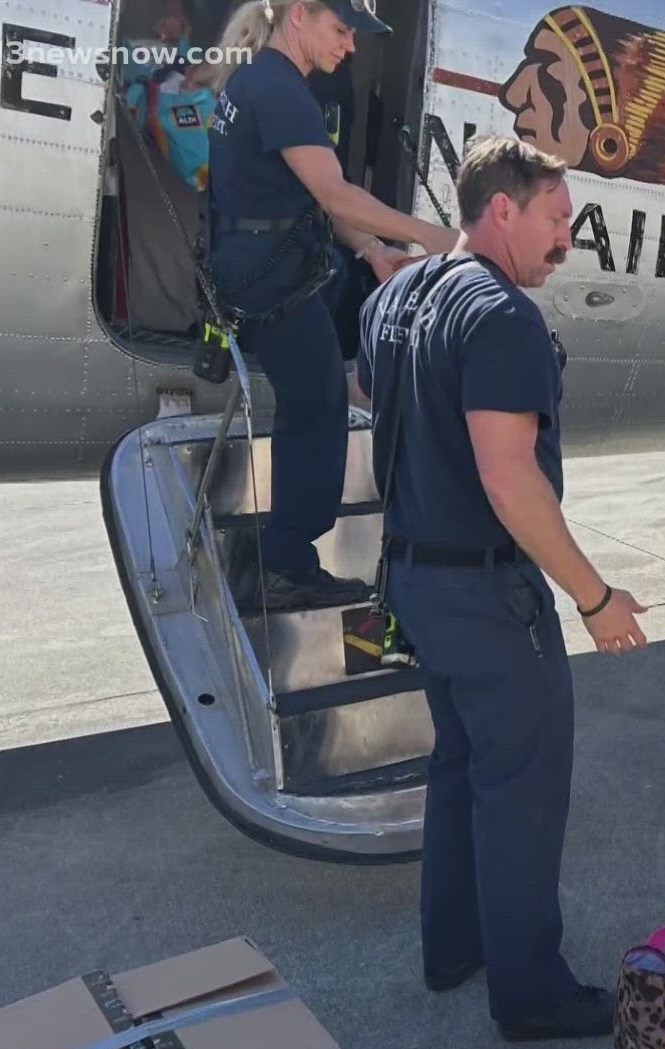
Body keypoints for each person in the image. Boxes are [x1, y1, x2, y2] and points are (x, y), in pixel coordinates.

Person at [355, 135, 650, 1041]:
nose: (566, 240)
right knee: (521, 790)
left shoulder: (396, 293)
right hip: (485, 597)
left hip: (413, 579)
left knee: (458, 769)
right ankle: (531, 994)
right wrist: (596, 599)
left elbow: (379, 389)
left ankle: (453, 949)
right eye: (557, 220)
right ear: (503, 210)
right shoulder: (504, 319)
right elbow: (509, 478)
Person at [205, 0, 459, 610]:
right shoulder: (280, 87)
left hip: (266, 266)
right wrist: (434, 238)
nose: (349, 46)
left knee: (316, 398)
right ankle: (287, 563)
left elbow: (309, 197)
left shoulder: (264, 81)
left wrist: (372, 251)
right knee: (317, 404)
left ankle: (290, 556)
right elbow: (333, 192)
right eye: (340, 29)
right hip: (271, 280)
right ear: (299, 15)